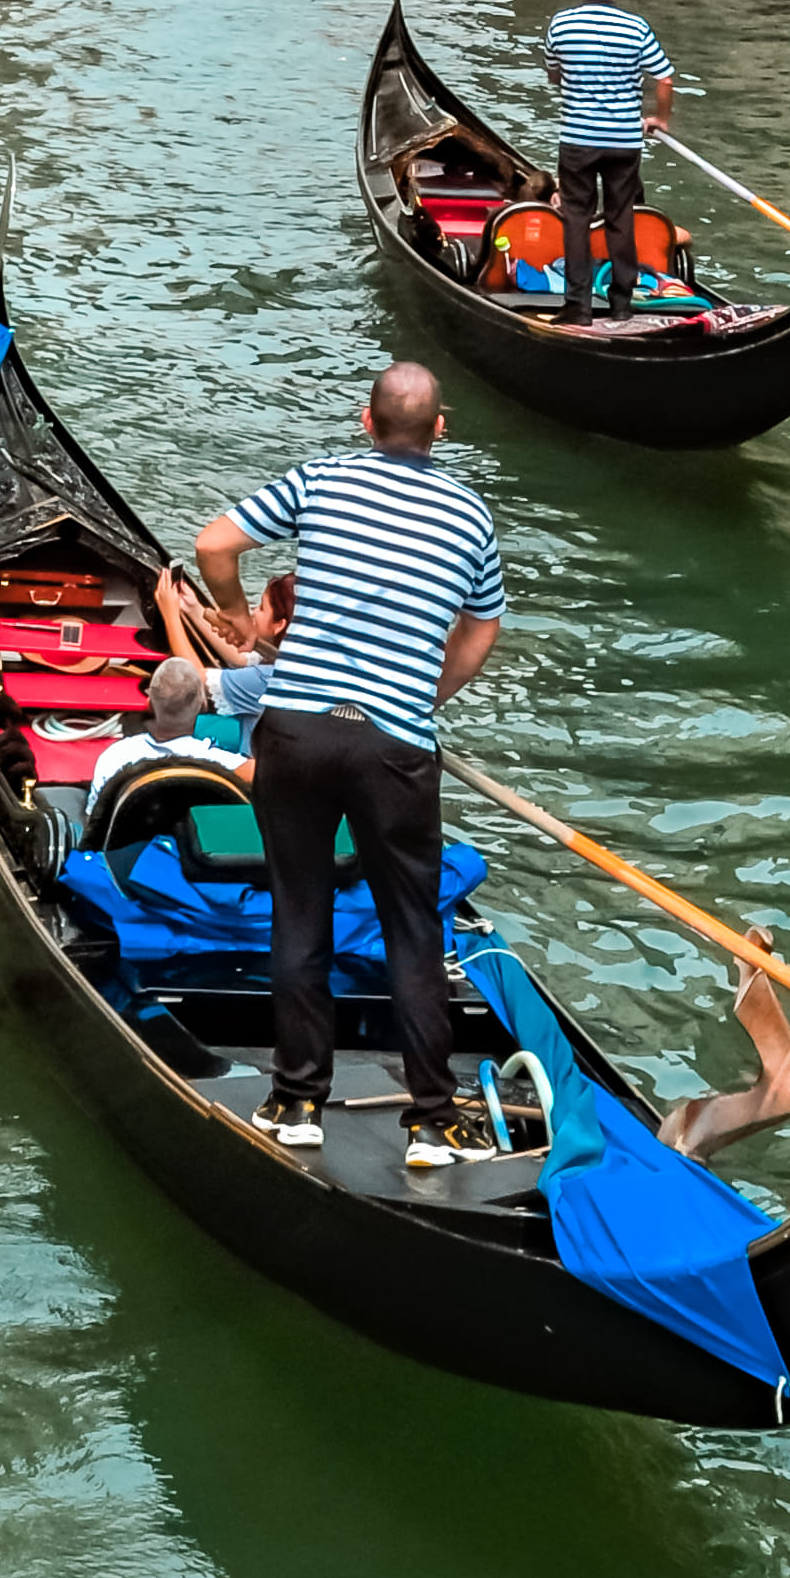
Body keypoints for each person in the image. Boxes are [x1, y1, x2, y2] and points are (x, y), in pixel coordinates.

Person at [194, 365, 504, 1167]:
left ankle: (296, 1102)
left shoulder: (321, 479)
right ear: (441, 429)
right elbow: (479, 630)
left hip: (294, 733)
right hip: (394, 745)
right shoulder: (470, 515)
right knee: (413, 929)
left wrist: (234, 618)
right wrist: (421, 700)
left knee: (301, 914)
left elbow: (213, 543)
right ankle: (433, 1121)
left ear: (365, 422)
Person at [543, 0, 674, 327]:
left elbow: (554, 74)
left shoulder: (562, 24)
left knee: (577, 219)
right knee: (621, 218)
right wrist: (660, 120)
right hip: (623, 141)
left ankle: (578, 307)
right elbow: (664, 78)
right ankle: (621, 305)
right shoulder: (637, 28)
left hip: (578, 141)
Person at [83, 652, 252, 826]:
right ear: (203, 705)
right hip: (192, 851)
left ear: (149, 705)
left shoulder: (115, 756)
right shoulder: (224, 765)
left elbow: (95, 819)